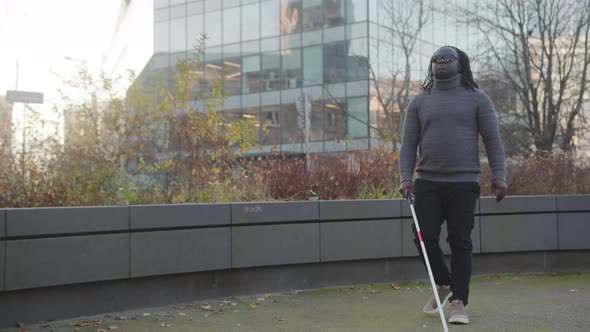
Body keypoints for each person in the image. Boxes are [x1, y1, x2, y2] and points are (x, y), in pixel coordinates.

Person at [398, 46, 508, 325]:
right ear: (431, 66)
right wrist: (405, 178)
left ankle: (458, 301)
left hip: (464, 182)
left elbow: (492, 140)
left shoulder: (477, 98)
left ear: (461, 65)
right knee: (423, 237)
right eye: (436, 59)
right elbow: (409, 144)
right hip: (427, 183)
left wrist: (499, 175)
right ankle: (443, 284)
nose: (441, 62)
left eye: (448, 59)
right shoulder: (420, 101)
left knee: (460, 241)